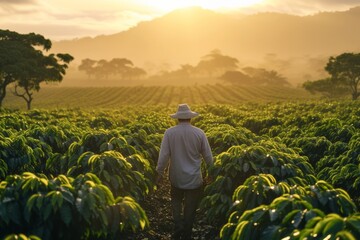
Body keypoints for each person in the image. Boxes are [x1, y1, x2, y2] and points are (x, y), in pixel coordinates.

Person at [156, 103, 213, 240]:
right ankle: (187, 232)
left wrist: (159, 173)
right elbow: (208, 156)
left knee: (176, 202)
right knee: (190, 207)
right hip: (194, 178)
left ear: (177, 118)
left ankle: (178, 226)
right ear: (190, 118)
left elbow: (164, 156)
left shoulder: (170, 133)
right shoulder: (199, 133)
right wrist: (211, 173)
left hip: (176, 177)